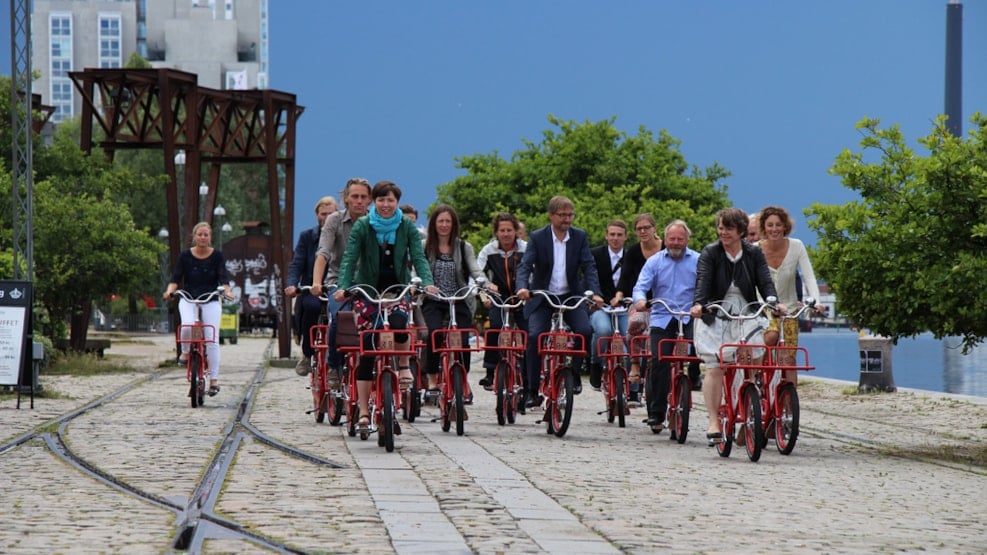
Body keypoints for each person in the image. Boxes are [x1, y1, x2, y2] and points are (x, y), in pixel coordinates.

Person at [334, 181, 438, 433]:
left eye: (390, 200)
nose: (386, 205)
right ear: (374, 202)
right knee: (368, 348)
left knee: (402, 324)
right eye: (381, 200)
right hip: (369, 290)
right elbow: (349, 258)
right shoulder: (363, 225)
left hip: (397, 289)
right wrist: (343, 286)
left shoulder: (406, 226)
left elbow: (419, 257)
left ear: (397, 203)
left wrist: (427, 282)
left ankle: (403, 367)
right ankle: (362, 410)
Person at [690, 207, 783, 442]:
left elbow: (765, 282)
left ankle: (750, 392)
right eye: (720, 228)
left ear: (741, 231)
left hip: (745, 308)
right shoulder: (710, 252)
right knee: (715, 366)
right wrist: (700, 305)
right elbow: (703, 280)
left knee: (753, 349)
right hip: (716, 309)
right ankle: (713, 421)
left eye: (729, 229)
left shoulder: (753, 253)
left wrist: (774, 303)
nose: (723, 233)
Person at [516, 196, 604, 408]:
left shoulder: (579, 236)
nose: (567, 219)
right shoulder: (538, 237)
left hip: (570, 295)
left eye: (570, 215)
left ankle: (572, 375)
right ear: (551, 215)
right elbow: (525, 265)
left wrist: (595, 293)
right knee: (536, 337)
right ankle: (531, 390)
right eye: (562, 215)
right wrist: (522, 287)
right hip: (543, 297)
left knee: (584, 331)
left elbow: (589, 266)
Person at [632, 220, 699, 433]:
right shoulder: (654, 261)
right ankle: (657, 411)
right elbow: (640, 286)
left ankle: (694, 377)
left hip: (689, 315)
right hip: (662, 315)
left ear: (687, 240)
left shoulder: (698, 260)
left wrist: (702, 304)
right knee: (659, 360)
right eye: (672, 239)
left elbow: (706, 285)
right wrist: (641, 301)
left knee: (699, 349)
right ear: (665, 239)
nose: (676, 243)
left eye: (680, 239)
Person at [311, 178, 372, 385]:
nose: (359, 201)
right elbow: (323, 252)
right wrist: (316, 282)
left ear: (370, 200)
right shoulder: (334, 220)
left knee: (380, 322)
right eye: (355, 196)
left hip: (368, 283)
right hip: (339, 280)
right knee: (339, 316)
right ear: (346, 198)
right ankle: (333, 365)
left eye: (363, 197)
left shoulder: (375, 221)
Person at [421, 205, 486, 398]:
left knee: (462, 340)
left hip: (458, 300)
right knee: (434, 334)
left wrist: (485, 283)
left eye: (448, 221)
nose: (444, 225)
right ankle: (432, 379)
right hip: (434, 300)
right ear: (434, 224)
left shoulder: (464, 246)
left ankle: (462, 380)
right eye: (440, 221)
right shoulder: (425, 246)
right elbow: (418, 268)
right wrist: (423, 284)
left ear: (454, 224)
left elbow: (475, 269)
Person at [163, 222, 233, 396]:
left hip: (210, 298)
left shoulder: (217, 256)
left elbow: (224, 278)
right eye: (200, 234)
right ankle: (186, 353)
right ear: (194, 237)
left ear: (210, 237)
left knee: (211, 338)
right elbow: (175, 278)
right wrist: (170, 291)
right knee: (187, 326)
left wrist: (228, 291)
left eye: (206, 235)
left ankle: (214, 381)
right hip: (189, 298)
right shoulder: (185, 256)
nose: (203, 237)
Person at [757, 205, 825, 382]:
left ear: (785, 226)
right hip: (763, 308)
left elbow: (809, 277)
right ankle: (758, 370)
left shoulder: (796, 246)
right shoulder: (755, 250)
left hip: (790, 309)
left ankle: (789, 404)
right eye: (770, 225)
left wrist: (816, 301)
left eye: (778, 225)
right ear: (764, 227)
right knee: (771, 334)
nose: (774, 229)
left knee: (789, 359)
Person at [613, 213, 673, 396]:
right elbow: (625, 278)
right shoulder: (633, 251)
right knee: (634, 324)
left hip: (665, 301)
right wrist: (619, 296)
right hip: (641, 301)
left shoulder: (667, 248)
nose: (643, 231)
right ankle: (634, 364)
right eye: (639, 229)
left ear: (655, 228)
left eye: (647, 227)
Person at [285, 196, 337, 376]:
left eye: (332, 214)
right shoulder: (307, 237)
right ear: (317, 215)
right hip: (312, 288)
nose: (328, 217)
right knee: (311, 307)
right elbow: (297, 263)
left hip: (337, 287)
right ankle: (307, 353)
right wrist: (292, 284)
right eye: (324, 214)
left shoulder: (343, 235)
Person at [476, 212, 527, 390]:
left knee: (529, 332)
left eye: (509, 230)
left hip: (522, 297)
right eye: (502, 230)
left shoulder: (526, 249)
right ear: (496, 232)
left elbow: (535, 272)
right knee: (494, 328)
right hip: (498, 297)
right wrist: (485, 294)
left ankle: (529, 375)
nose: (506, 234)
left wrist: (529, 291)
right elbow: (476, 276)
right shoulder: (488, 250)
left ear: (516, 231)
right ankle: (490, 372)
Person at [588, 220, 629, 391]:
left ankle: (632, 383)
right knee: (603, 331)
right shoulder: (595, 254)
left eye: (619, 235)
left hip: (625, 306)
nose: (615, 238)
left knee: (629, 338)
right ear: (606, 235)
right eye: (612, 234)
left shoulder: (631, 256)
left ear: (626, 237)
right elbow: (589, 277)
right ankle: (595, 364)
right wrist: (594, 296)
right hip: (601, 306)